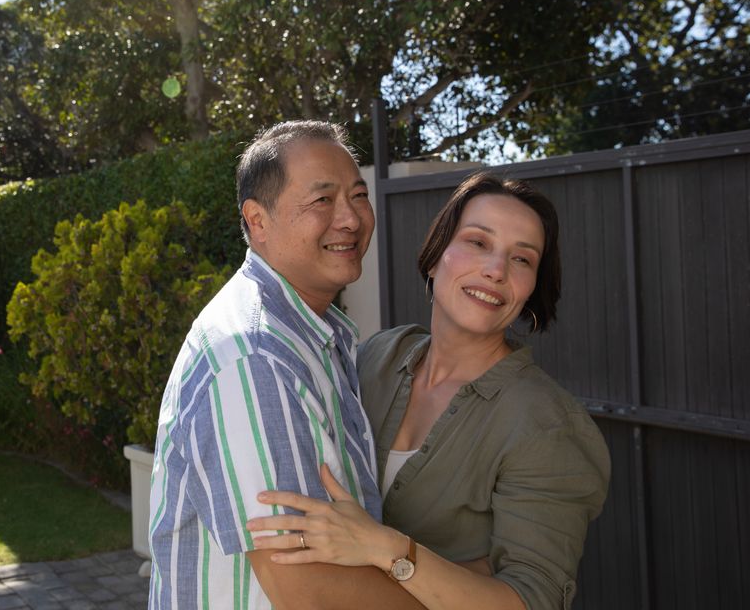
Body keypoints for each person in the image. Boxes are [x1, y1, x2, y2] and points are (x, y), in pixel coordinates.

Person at [246, 172, 611, 610]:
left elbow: (530, 600)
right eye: (478, 242)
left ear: (532, 288)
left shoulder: (547, 425)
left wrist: (385, 548)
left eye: (522, 259)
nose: (496, 270)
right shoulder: (376, 359)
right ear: (436, 256)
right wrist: (467, 572)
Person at [148, 121, 425, 609]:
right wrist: (458, 594)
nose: (351, 218)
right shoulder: (255, 356)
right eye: (322, 200)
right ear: (257, 220)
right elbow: (307, 590)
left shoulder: (311, 333)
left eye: (358, 196)